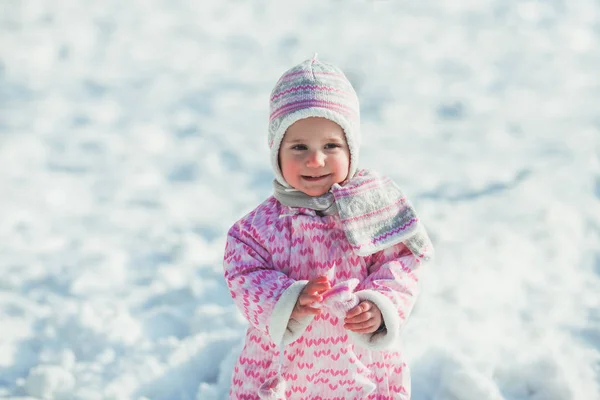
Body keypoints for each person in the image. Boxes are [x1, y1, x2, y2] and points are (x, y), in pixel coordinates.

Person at [223, 54, 434, 400]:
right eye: (299, 147)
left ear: (351, 148)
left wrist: (379, 305)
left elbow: (401, 264)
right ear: (276, 152)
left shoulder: (372, 209)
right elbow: (243, 274)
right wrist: (287, 299)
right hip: (283, 372)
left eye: (331, 146)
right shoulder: (256, 230)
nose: (315, 160)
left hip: (360, 368)